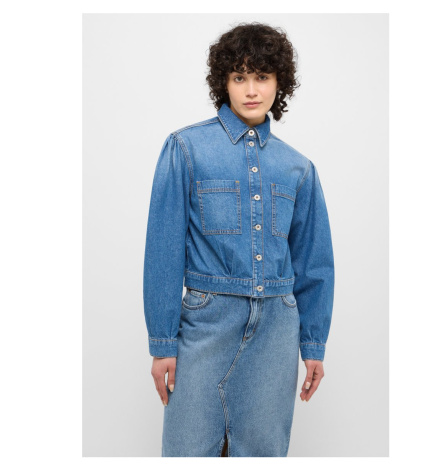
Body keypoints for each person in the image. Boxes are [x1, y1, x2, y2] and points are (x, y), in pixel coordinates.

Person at [143, 22, 335, 457]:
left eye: (262, 76)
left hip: (276, 332)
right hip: (206, 325)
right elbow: (163, 251)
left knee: (263, 453)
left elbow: (314, 263)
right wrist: (162, 342)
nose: (251, 90)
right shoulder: (185, 148)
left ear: (279, 83)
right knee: (187, 450)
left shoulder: (299, 168)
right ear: (223, 82)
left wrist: (313, 344)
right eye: (239, 76)